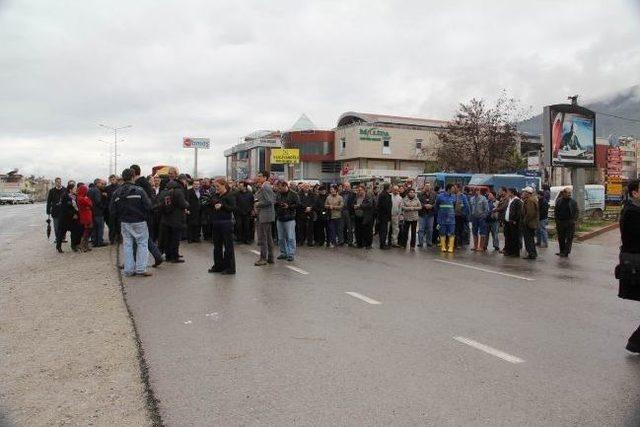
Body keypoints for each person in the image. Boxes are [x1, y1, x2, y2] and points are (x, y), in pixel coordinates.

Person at [110, 169, 153, 276]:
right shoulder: (139, 190)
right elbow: (148, 206)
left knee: (127, 245)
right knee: (142, 244)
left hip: (124, 222)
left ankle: (128, 270)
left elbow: (112, 210)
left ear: (123, 178)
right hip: (139, 221)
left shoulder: (116, 192)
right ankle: (141, 269)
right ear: (133, 177)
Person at [616, 179, 640, 353]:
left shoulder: (633, 210)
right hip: (636, 263)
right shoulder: (632, 213)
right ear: (635, 193)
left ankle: (636, 342)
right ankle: (635, 342)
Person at [130, 165, 164, 267]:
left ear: (133, 173)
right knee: (145, 238)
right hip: (147, 214)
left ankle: (133, 262)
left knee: (137, 239)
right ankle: (157, 256)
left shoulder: (139, 184)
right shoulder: (145, 182)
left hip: (141, 215)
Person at [208, 178, 236, 274]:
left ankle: (229, 268)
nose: (216, 188)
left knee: (228, 247)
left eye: (218, 186)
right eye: (215, 186)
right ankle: (218, 265)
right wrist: (214, 203)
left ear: (224, 185)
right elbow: (211, 202)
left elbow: (232, 207)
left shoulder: (230, 195)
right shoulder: (216, 195)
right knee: (217, 246)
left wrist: (222, 206)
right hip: (216, 222)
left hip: (226, 223)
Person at [157, 179, 189, 263]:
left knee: (168, 239)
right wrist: (187, 204)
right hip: (177, 219)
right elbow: (183, 204)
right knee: (175, 239)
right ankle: (175, 257)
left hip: (166, 219)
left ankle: (168, 256)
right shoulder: (178, 191)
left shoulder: (164, 192)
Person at [254, 171, 276, 266]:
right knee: (268, 237)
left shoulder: (265, 187)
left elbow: (269, 201)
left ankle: (263, 258)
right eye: (258, 176)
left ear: (265, 177)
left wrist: (258, 204)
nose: (258, 178)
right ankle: (270, 258)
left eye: (260, 176)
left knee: (263, 238)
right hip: (265, 215)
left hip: (265, 215)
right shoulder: (265, 186)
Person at [275, 181, 300, 261]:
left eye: (280, 188)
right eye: (278, 188)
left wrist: (289, 206)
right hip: (280, 217)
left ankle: (291, 253)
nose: (279, 189)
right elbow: (276, 203)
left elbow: (298, 205)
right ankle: (283, 252)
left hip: (289, 218)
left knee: (290, 237)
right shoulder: (278, 194)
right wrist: (277, 205)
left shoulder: (294, 194)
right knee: (281, 237)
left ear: (285, 186)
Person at [56, 181, 82, 253]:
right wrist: (72, 214)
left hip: (73, 219)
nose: (76, 190)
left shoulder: (75, 196)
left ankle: (73, 246)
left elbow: (77, 207)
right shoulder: (65, 196)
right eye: (75, 189)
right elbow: (64, 208)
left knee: (74, 232)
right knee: (61, 233)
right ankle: (58, 246)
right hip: (65, 218)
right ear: (70, 189)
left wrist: (76, 214)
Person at [554, 187, 578, 257]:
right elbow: (556, 211)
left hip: (569, 222)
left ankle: (566, 252)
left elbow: (577, 211)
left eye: (570, 193)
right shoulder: (559, 201)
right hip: (560, 222)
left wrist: (574, 220)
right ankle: (561, 251)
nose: (569, 194)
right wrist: (557, 220)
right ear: (564, 193)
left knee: (569, 238)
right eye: (568, 193)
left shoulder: (573, 202)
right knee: (561, 238)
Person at [434, 184, 457, 253]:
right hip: (442, 218)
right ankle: (443, 246)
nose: (454, 190)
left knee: (452, 232)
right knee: (442, 232)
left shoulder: (454, 196)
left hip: (451, 218)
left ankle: (450, 247)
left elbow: (455, 205)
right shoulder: (440, 196)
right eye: (453, 188)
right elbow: (436, 206)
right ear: (449, 189)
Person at [503, 188, 523, 257]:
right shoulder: (510, 200)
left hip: (513, 222)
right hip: (508, 222)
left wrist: (515, 220)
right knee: (509, 237)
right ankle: (509, 251)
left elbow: (519, 212)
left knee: (514, 238)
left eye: (508, 192)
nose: (507, 193)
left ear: (512, 193)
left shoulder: (517, 201)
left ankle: (515, 252)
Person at [87, 178, 107, 247]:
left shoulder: (89, 190)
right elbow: (98, 201)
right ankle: (100, 242)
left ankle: (94, 242)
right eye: (101, 183)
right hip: (98, 212)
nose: (102, 185)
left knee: (94, 228)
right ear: (97, 183)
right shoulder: (97, 190)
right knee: (100, 227)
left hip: (92, 212)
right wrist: (103, 207)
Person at [520, 187, 539, 260]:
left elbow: (530, 213)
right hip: (530, 223)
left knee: (529, 239)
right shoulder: (530, 199)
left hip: (529, 223)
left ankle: (531, 253)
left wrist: (525, 221)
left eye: (524, 192)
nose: (523, 194)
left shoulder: (530, 200)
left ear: (528, 193)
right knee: (530, 239)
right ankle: (532, 253)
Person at [353, 185, 374, 249]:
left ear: (364, 190)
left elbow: (369, 205)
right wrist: (353, 206)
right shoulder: (356, 197)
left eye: (360, 190)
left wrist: (360, 206)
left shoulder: (368, 196)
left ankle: (368, 245)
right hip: (357, 216)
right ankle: (359, 244)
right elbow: (353, 203)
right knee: (358, 231)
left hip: (366, 217)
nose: (359, 191)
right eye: (358, 190)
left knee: (367, 231)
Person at [46, 177, 66, 245]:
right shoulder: (52, 191)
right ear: (55, 183)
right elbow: (49, 202)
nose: (59, 183)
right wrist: (48, 212)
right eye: (57, 182)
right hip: (55, 211)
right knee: (56, 226)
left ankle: (62, 237)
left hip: (63, 211)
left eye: (60, 181)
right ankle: (58, 238)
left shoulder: (64, 190)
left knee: (63, 226)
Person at [417, 183, 436, 248]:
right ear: (424, 186)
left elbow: (436, 202)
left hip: (431, 214)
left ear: (430, 187)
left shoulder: (434, 194)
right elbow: (418, 202)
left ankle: (429, 242)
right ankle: (421, 243)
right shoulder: (420, 194)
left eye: (429, 186)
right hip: (422, 214)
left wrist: (431, 206)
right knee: (421, 229)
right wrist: (424, 205)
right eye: (426, 186)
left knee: (430, 229)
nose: (427, 187)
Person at [76, 184, 94, 252]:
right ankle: (82, 246)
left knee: (88, 231)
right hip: (85, 216)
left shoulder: (82, 197)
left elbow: (89, 203)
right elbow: (90, 203)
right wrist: (88, 201)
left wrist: (88, 201)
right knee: (87, 231)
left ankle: (85, 245)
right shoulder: (80, 198)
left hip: (87, 215)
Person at [104, 174, 120, 244]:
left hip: (118, 209)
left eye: (114, 179)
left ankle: (119, 238)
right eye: (111, 180)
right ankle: (112, 239)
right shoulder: (107, 188)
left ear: (116, 179)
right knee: (111, 225)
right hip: (110, 209)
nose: (113, 181)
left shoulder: (119, 187)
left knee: (119, 225)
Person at [453, 185, 470, 249]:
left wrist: (464, 214)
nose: (454, 189)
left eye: (455, 188)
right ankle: (454, 243)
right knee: (454, 230)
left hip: (460, 216)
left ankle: (459, 243)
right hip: (453, 215)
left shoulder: (463, 196)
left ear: (458, 188)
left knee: (460, 230)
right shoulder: (453, 195)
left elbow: (466, 206)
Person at [376, 183, 392, 250]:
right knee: (383, 230)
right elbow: (386, 206)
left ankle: (382, 243)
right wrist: (389, 214)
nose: (391, 188)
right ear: (388, 187)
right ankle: (382, 245)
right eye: (390, 187)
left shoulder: (382, 194)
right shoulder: (385, 195)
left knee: (383, 230)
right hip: (384, 216)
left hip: (382, 215)